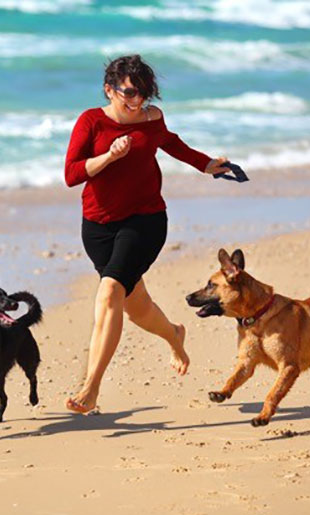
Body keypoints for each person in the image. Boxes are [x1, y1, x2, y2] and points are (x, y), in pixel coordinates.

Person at [64, 54, 229, 413]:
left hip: (146, 221)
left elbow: (171, 143)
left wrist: (206, 164)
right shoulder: (91, 122)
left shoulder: (151, 119)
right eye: (129, 92)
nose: (137, 99)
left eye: (143, 92)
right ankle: (175, 335)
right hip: (97, 227)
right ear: (109, 90)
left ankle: (90, 388)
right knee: (135, 306)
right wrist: (108, 156)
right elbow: (72, 174)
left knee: (109, 293)